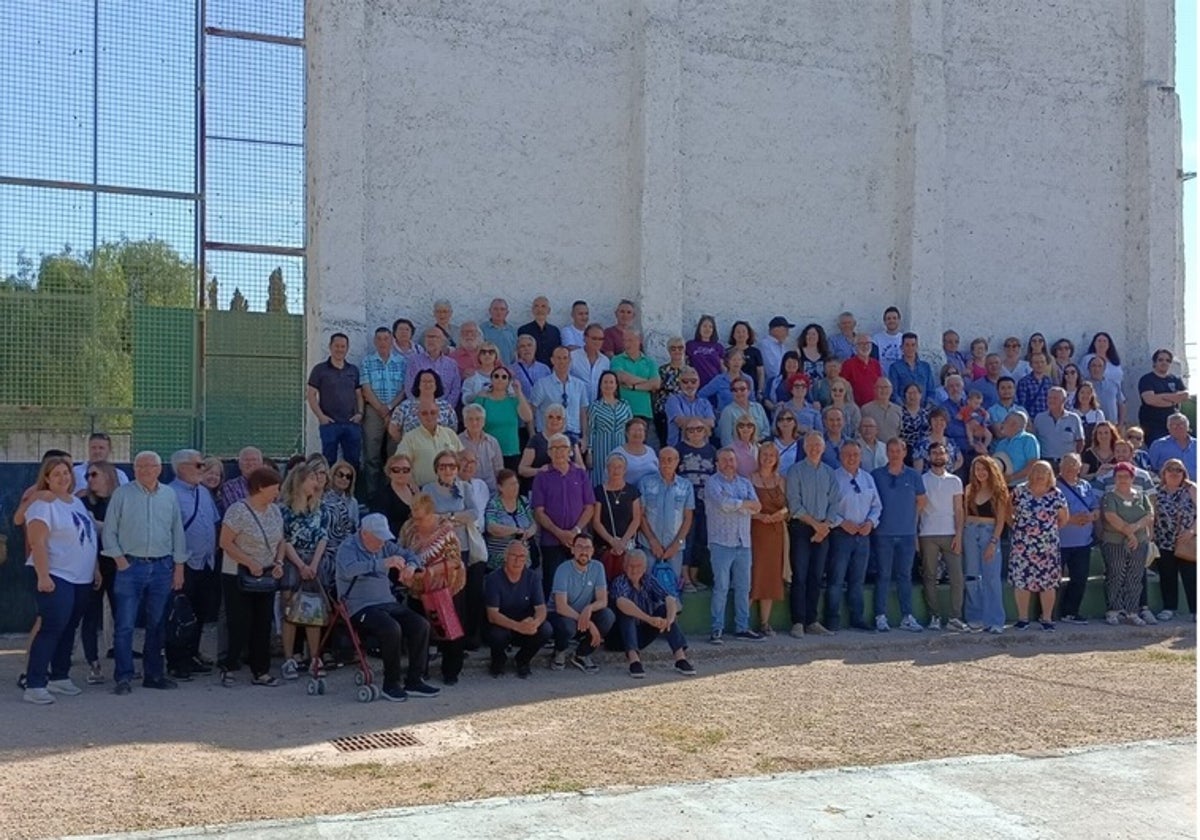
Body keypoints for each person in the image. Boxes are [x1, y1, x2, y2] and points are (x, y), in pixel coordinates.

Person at [104, 451, 187, 695]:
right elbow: (109, 531)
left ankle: (153, 675)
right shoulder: (122, 494)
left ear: (159, 469)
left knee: (157, 623)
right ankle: (124, 677)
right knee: (125, 625)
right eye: (140, 466)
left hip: (162, 567)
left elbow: (177, 531)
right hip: (131, 567)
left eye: (150, 466)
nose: (145, 470)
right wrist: (120, 561)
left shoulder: (169, 495)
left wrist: (179, 566)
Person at [335, 513, 439, 701]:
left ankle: (414, 680)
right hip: (360, 606)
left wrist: (411, 566)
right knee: (391, 628)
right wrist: (382, 563)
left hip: (386, 602)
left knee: (420, 625)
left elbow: (411, 555)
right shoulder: (348, 548)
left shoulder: (385, 545)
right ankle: (390, 684)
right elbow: (348, 570)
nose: (383, 543)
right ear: (365, 534)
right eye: (379, 538)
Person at [21, 455, 99, 705]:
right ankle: (34, 683)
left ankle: (60, 676)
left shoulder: (76, 502)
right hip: (57, 575)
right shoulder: (43, 504)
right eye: (56, 474)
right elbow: (38, 542)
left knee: (69, 627)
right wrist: (43, 575)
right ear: (46, 478)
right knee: (52, 627)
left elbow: (86, 537)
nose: (63, 478)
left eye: (66, 473)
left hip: (81, 577)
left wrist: (95, 569)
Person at [218, 466, 286, 687]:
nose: (277, 492)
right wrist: (249, 562)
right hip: (238, 574)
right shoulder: (237, 511)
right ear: (260, 488)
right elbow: (225, 542)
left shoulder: (275, 510)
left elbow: (281, 541)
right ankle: (229, 666)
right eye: (274, 488)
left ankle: (261, 671)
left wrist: (278, 562)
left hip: (266, 575)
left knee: (263, 623)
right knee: (239, 622)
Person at [400, 492, 468, 684]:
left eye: (420, 517)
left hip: (447, 587)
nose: (417, 521)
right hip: (418, 589)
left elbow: (455, 560)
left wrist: (430, 572)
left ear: (431, 513)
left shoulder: (445, 530)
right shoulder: (409, 528)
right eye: (414, 516)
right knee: (419, 630)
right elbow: (401, 549)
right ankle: (420, 671)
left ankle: (451, 671)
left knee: (450, 629)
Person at [166, 449, 221, 681]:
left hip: (206, 562)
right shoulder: (169, 494)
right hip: (183, 563)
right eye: (198, 465)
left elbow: (214, 521)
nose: (203, 469)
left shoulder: (204, 493)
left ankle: (192, 654)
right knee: (180, 614)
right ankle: (176, 661)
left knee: (199, 612)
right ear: (181, 468)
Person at [784, 432, 841, 637]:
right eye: (810, 445)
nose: (815, 448)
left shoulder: (829, 472)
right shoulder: (795, 471)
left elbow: (835, 502)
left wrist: (824, 526)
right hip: (802, 528)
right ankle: (798, 621)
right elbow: (794, 503)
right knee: (800, 575)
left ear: (824, 448)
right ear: (805, 447)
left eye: (818, 445)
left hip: (824, 530)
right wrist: (816, 525)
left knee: (816, 576)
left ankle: (812, 621)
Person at [706, 447, 764, 643]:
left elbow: (757, 507)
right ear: (717, 463)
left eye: (731, 460)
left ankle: (742, 627)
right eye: (724, 460)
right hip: (721, 542)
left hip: (743, 542)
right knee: (721, 586)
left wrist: (738, 505)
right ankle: (716, 629)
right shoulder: (712, 482)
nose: (728, 463)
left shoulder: (745, 483)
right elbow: (723, 504)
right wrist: (743, 504)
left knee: (743, 586)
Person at [278, 463, 330, 681]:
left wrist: (314, 565)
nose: (316, 483)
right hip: (293, 560)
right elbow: (285, 540)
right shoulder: (284, 510)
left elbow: (323, 537)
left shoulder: (321, 508)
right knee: (290, 610)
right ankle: (289, 658)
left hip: (314, 560)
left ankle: (314, 657)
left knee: (313, 610)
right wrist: (300, 565)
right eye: (311, 479)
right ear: (299, 481)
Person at [610, 549, 695, 678]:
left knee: (664, 610)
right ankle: (634, 661)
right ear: (624, 566)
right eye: (631, 566)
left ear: (644, 568)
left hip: (643, 634)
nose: (634, 570)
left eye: (638, 566)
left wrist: (669, 620)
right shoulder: (619, 582)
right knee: (627, 612)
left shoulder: (649, 580)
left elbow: (669, 598)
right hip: (620, 637)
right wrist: (649, 619)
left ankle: (680, 658)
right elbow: (621, 602)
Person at [870, 438, 926, 632]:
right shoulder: (876, 475)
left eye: (898, 450)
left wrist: (912, 522)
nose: (895, 454)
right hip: (883, 533)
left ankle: (907, 616)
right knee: (883, 575)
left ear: (904, 452)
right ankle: (880, 616)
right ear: (886, 452)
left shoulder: (914, 476)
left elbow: (921, 501)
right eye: (891, 450)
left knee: (905, 576)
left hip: (907, 534)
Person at [532, 433, 597, 598]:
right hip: (551, 541)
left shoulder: (581, 474)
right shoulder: (542, 476)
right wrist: (559, 533)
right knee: (552, 584)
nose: (558, 452)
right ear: (548, 452)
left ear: (570, 451)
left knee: (581, 584)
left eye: (562, 448)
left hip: (579, 541)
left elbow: (589, 506)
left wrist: (576, 531)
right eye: (554, 448)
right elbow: (539, 511)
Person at [1008, 461, 1069, 631]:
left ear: (1051, 475)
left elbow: (1063, 518)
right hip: (1023, 545)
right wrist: (1017, 527)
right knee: (1022, 581)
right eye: (1037, 471)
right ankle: (1022, 619)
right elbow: (1008, 511)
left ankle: (1047, 618)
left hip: (1047, 546)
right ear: (1031, 473)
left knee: (1048, 583)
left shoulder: (1056, 494)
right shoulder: (1020, 491)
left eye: (1045, 472)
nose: (1040, 475)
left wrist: (1047, 531)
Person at [828, 440, 879, 633]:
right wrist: (841, 522)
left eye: (855, 455)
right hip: (841, 534)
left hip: (863, 536)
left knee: (857, 580)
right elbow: (827, 507)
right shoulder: (833, 478)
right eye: (848, 454)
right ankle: (832, 619)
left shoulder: (867, 479)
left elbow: (877, 506)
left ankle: (857, 618)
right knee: (836, 579)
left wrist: (870, 523)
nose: (852, 458)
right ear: (841, 457)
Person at [548, 533, 616, 672]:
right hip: (562, 615)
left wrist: (590, 608)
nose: (584, 551)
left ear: (592, 551)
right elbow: (561, 607)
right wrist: (588, 623)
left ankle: (582, 654)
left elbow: (603, 601)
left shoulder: (598, 567)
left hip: (583, 614)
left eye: (587, 547)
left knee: (608, 616)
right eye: (579, 547)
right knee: (567, 626)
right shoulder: (563, 569)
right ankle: (559, 651)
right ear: (572, 549)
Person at [484, 541, 552, 678]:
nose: (517, 560)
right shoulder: (493, 579)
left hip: (525, 624)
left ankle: (523, 660)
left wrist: (535, 623)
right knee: (497, 635)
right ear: (505, 556)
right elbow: (492, 615)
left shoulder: (533, 577)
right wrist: (517, 626)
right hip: (503, 625)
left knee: (546, 629)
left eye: (522, 556)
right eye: (513, 555)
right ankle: (498, 661)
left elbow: (541, 608)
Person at [1100, 462, 1155, 625]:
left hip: (1140, 542)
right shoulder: (1109, 497)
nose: (1122, 479)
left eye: (1126, 476)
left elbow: (1149, 515)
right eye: (1119, 476)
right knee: (1115, 574)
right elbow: (1111, 516)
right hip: (1115, 542)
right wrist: (1130, 534)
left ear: (1132, 478)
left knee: (1135, 576)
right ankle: (1114, 610)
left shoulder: (1141, 495)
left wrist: (1136, 528)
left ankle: (1132, 611)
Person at [918, 442, 965, 631]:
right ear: (929, 456)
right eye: (935, 453)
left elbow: (959, 509)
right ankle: (934, 617)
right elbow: (918, 508)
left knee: (957, 577)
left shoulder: (955, 481)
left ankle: (955, 617)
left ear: (947, 456)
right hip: (927, 533)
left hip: (950, 533)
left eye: (942, 453)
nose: (938, 456)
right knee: (930, 577)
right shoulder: (921, 480)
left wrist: (959, 534)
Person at [79, 461, 119, 685]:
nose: (89, 479)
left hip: (118, 565)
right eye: (87, 475)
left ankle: (124, 664)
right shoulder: (82, 502)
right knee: (90, 617)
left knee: (122, 615)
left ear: (108, 475)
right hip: (91, 566)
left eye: (94, 474)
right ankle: (93, 664)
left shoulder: (120, 500)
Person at [962, 456, 1010, 633]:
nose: (980, 473)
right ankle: (975, 617)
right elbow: (965, 515)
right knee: (972, 576)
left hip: (989, 533)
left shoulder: (999, 491)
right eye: (977, 469)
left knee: (991, 578)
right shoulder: (969, 490)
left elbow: (1000, 521)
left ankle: (995, 620)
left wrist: (993, 542)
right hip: (970, 531)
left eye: (984, 469)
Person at [637, 447, 694, 595]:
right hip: (648, 545)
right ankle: (647, 617)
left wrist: (676, 544)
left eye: (670, 460)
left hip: (675, 547)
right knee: (646, 586)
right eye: (662, 459)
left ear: (677, 462)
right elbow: (640, 515)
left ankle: (671, 618)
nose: (666, 463)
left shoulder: (686, 486)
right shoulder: (645, 482)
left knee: (672, 589)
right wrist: (652, 541)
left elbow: (688, 517)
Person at [359, 326, 407, 497]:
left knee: (394, 454)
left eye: (386, 339)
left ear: (392, 341)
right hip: (374, 411)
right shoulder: (367, 362)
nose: (382, 342)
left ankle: (392, 492)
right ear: (374, 341)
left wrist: (390, 408)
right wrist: (381, 409)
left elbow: (404, 389)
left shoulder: (402, 362)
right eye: (378, 339)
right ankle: (372, 494)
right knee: (371, 454)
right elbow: (365, 387)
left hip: (396, 411)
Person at [307, 333, 364, 467]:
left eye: (343, 346)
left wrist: (360, 414)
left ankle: (352, 488)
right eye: (336, 346)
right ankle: (327, 488)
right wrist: (321, 417)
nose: (340, 349)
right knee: (328, 462)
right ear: (330, 347)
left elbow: (359, 394)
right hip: (329, 424)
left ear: (347, 348)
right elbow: (311, 395)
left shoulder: (353, 370)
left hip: (351, 423)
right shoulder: (319, 370)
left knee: (353, 462)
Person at [748, 444, 788, 635]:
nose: (768, 458)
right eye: (765, 454)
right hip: (755, 532)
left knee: (770, 577)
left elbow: (788, 506)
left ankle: (765, 623)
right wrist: (759, 517)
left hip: (776, 533)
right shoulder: (750, 479)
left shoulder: (781, 480)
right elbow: (745, 507)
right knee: (753, 575)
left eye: (772, 455)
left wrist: (781, 514)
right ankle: (743, 622)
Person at [1056, 453, 1100, 624]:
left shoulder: (1085, 486)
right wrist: (1071, 520)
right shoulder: (1054, 486)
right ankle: (1047, 614)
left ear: (1080, 467)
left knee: (1079, 578)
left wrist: (1092, 516)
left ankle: (1071, 612)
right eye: (1066, 465)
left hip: (1083, 542)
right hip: (1059, 542)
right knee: (1053, 580)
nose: (1069, 468)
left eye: (1073, 465)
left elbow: (1095, 508)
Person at [1152, 459, 1197, 621]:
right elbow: (1153, 514)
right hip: (1163, 540)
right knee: (1167, 575)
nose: (1174, 472)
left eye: (1178, 470)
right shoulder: (1157, 491)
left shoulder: (1191, 489)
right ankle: (1169, 607)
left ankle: (1195, 610)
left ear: (1184, 473)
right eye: (1170, 469)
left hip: (1186, 539)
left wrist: (1192, 531)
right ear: (1164, 473)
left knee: (1191, 576)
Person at [677, 420, 717, 593]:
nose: (695, 432)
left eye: (699, 429)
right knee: (687, 539)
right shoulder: (679, 449)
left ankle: (694, 576)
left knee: (701, 539)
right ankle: (684, 578)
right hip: (685, 503)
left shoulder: (711, 451)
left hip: (706, 502)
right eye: (690, 429)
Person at [592, 453, 643, 581]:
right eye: (612, 467)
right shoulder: (598, 491)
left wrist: (623, 542)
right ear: (607, 469)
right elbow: (596, 521)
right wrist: (612, 541)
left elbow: (636, 519)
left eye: (619, 467)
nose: (616, 470)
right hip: (604, 546)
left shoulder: (633, 491)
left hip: (627, 546)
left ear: (625, 470)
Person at [473, 364, 534, 471]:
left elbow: (528, 417)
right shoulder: (482, 399)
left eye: (504, 377)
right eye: (496, 376)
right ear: (491, 379)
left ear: (508, 381)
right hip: (488, 451)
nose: (500, 379)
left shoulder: (514, 400)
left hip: (511, 451)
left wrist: (518, 392)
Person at [609, 330, 661, 447]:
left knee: (650, 448)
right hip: (623, 412)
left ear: (639, 341)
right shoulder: (617, 359)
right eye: (624, 340)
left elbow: (657, 384)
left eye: (630, 340)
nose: (627, 343)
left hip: (645, 412)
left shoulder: (649, 362)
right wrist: (647, 382)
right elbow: (621, 377)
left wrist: (633, 387)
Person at [531, 345, 590, 446]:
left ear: (570, 360)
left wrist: (585, 438)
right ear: (552, 360)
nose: (562, 361)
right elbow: (532, 410)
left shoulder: (579, 385)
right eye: (558, 358)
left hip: (573, 435)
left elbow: (583, 412)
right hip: (549, 436)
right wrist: (532, 435)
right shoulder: (542, 384)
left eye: (565, 358)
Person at [395, 403, 462, 487]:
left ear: (438, 414)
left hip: (451, 490)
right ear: (418, 415)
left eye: (433, 412)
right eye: (424, 413)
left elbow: (462, 459)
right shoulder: (409, 438)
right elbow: (401, 466)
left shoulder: (450, 434)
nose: (429, 416)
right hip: (423, 491)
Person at [586, 370, 635, 486]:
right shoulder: (595, 406)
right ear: (601, 385)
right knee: (600, 479)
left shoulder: (624, 405)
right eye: (605, 382)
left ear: (616, 385)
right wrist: (589, 452)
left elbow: (630, 429)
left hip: (621, 447)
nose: (608, 385)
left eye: (611, 382)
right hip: (600, 449)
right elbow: (590, 430)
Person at [485, 469, 538, 571]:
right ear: (500, 487)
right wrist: (515, 530)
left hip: (523, 560)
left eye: (516, 483)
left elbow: (533, 524)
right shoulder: (494, 504)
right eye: (511, 484)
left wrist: (528, 533)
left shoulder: (523, 501)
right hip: (499, 561)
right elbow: (491, 527)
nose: (515, 487)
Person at [518, 404, 586, 482]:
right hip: (542, 485)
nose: (554, 420)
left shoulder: (571, 440)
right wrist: (540, 470)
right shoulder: (536, 440)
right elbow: (522, 469)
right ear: (545, 419)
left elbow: (582, 468)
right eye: (550, 417)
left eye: (558, 418)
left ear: (564, 421)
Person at [322, 460, 361, 587]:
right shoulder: (322, 498)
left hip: (345, 549)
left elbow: (355, 527)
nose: (344, 479)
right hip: (325, 548)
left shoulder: (353, 502)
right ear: (332, 476)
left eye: (348, 477)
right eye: (340, 474)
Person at [1138, 349, 1189, 445]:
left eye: (1168, 360)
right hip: (1153, 425)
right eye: (1160, 360)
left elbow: (1185, 395)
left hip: (1173, 425)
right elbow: (1150, 400)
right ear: (1155, 362)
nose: (1164, 362)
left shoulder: (1175, 379)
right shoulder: (1147, 380)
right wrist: (1173, 400)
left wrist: (1161, 397)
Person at [389, 368, 457, 436]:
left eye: (430, 381)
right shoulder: (405, 406)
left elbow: (453, 429)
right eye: (424, 381)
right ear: (418, 385)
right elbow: (393, 429)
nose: (427, 384)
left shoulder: (446, 406)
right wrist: (405, 444)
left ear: (436, 385)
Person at [407, 327, 462, 408]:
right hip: (419, 410)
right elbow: (409, 387)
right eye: (428, 337)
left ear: (442, 341)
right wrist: (420, 407)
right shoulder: (414, 361)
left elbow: (455, 389)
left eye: (434, 337)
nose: (430, 340)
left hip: (444, 410)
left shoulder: (451, 364)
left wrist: (444, 408)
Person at [1032, 386, 1085, 469]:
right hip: (1046, 462)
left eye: (1055, 398)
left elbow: (1080, 441)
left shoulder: (1074, 418)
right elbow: (1035, 440)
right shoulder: (1039, 418)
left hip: (1067, 463)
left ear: (1064, 400)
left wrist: (1075, 458)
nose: (1051, 400)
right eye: (1049, 398)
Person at [665, 366, 716, 447]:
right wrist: (702, 422)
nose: (689, 385)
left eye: (693, 381)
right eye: (685, 381)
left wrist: (689, 421)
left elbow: (711, 423)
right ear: (680, 383)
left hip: (702, 448)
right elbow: (680, 422)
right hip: (678, 449)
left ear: (699, 383)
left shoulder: (705, 402)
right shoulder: (673, 400)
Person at [458, 403, 504, 491]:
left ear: (483, 422)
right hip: (467, 490)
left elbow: (499, 470)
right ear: (464, 422)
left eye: (478, 419)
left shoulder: (493, 442)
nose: (474, 423)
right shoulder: (458, 441)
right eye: (470, 419)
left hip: (491, 490)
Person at [699, 347, 756, 413]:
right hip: (725, 417)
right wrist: (710, 410)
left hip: (744, 417)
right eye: (733, 360)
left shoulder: (748, 379)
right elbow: (701, 394)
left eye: (739, 359)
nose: (736, 362)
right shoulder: (719, 379)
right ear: (728, 362)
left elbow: (752, 400)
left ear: (743, 362)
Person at [653, 337, 688, 446]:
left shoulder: (690, 371)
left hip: (685, 413)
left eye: (680, 348)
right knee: (666, 444)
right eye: (673, 348)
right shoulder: (662, 370)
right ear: (668, 351)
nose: (677, 351)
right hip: (664, 413)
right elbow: (655, 391)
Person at [374, 453, 417, 539]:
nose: (401, 473)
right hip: (395, 540)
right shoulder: (382, 495)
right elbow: (381, 526)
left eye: (406, 470)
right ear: (389, 473)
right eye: (396, 470)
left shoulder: (416, 491)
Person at [717, 378, 770, 447]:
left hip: (759, 447)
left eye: (742, 389)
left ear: (749, 391)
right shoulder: (727, 411)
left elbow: (766, 431)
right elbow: (726, 440)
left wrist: (754, 442)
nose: (739, 392)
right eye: (735, 390)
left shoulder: (758, 407)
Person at [888, 333, 937, 407]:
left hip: (924, 410)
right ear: (902, 347)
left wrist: (927, 407)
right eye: (907, 345)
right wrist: (904, 408)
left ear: (917, 347)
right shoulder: (895, 367)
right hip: (902, 409)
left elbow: (931, 390)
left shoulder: (926, 367)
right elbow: (893, 392)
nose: (910, 348)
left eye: (913, 345)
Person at [993, 409, 1040, 486]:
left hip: (1023, 487)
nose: (1002, 424)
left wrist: (1012, 478)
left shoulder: (1028, 439)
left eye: (1005, 421)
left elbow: (1033, 465)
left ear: (1014, 424)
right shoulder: (1002, 443)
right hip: (1003, 486)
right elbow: (996, 462)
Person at [612, 417, 660, 486]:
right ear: (627, 433)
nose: (637, 433)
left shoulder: (650, 451)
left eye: (640, 430)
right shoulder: (618, 454)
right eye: (634, 430)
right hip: (628, 494)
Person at [517, 295, 562, 365]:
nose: (540, 309)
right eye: (536, 306)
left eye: (543, 306)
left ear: (549, 310)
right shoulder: (523, 330)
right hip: (529, 371)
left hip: (550, 371)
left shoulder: (555, 331)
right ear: (532, 310)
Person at [569, 323, 611, 396]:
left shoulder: (605, 361)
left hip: (597, 405)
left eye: (600, 339)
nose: (597, 342)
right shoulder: (572, 357)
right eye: (594, 338)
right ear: (585, 338)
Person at [1084, 354, 1124, 431]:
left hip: (1112, 426)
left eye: (1100, 366)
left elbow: (1121, 404)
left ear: (1104, 368)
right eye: (1093, 366)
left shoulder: (1114, 384)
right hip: (1092, 426)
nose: (1096, 369)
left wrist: (1121, 424)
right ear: (1088, 368)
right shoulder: (1084, 385)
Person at [843, 333, 885, 406]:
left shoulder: (876, 364)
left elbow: (880, 385)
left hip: (874, 406)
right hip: (856, 407)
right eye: (861, 344)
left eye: (868, 343)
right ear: (855, 347)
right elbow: (843, 386)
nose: (865, 346)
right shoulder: (848, 364)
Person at [217, 446, 263, 513]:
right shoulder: (230, 487)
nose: (250, 463)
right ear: (239, 464)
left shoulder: (270, 484)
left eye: (254, 460)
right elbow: (235, 513)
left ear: (261, 464)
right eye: (246, 460)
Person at [727, 320, 765, 397]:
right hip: (733, 391)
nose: (741, 334)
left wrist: (760, 391)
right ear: (733, 335)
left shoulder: (755, 352)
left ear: (748, 334)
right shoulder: (727, 352)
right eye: (738, 332)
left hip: (751, 392)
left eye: (744, 331)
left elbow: (760, 373)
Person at [686, 314, 725, 386]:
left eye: (710, 327)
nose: (707, 329)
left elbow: (723, 368)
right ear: (699, 328)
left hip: (715, 385)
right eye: (704, 326)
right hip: (695, 385)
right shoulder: (690, 345)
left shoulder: (718, 347)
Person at [861, 378, 903, 443]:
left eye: (886, 387)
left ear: (891, 390)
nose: (883, 390)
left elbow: (901, 433)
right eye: (879, 387)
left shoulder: (898, 410)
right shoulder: (866, 409)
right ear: (874, 390)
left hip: (894, 450)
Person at [480, 298, 518, 364]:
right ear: (490, 311)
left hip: (508, 370)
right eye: (495, 309)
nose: (499, 312)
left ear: (507, 312)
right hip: (489, 369)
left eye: (502, 309)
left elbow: (516, 352)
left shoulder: (512, 330)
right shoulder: (482, 329)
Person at [899, 383, 931, 455]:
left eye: (915, 393)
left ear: (920, 395)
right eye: (909, 393)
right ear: (905, 395)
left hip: (924, 451)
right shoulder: (899, 412)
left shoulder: (927, 414)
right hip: (904, 451)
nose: (912, 396)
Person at [760, 316, 794, 383]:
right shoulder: (765, 344)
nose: (787, 334)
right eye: (785, 330)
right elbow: (772, 370)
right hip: (774, 384)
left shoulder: (781, 345)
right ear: (775, 330)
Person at [872, 306, 904, 373]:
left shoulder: (904, 338)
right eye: (888, 318)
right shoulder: (876, 339)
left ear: (899, 320)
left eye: (894, 318)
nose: (891, 321)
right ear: (884, 321)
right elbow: (873, 361)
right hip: (882, 380)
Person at [771, 408, 803, 472]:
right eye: (781, 419)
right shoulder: (769, 441)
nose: (785, 422)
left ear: (795, 423)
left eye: (789, 419)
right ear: (777, 424)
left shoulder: (802, 444)